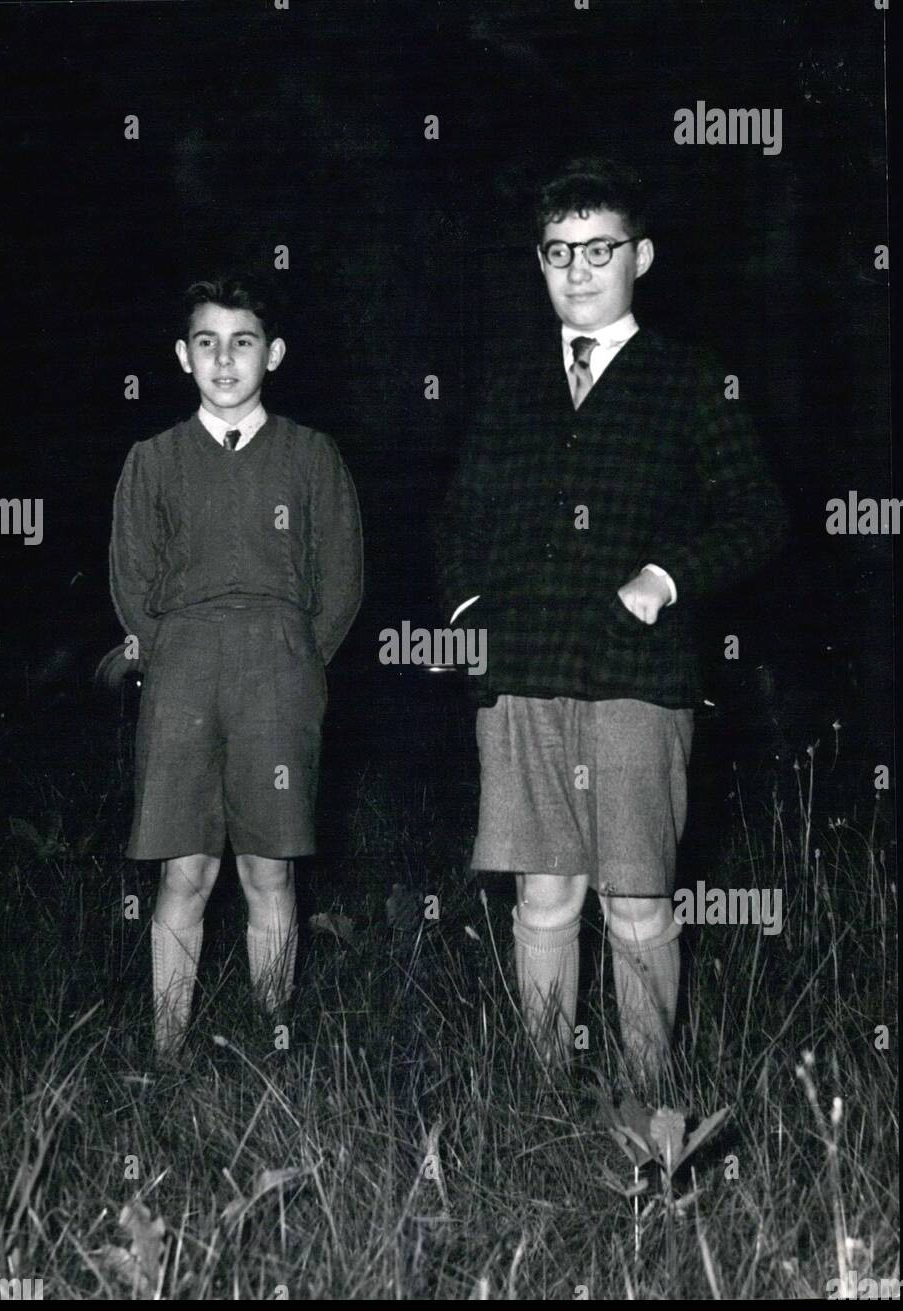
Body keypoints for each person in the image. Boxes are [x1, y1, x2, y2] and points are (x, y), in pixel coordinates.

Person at [437, 157, 787, 1083]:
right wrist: (470, 611)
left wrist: (667, 575)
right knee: (543, 898)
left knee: (636, 900)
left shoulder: (689, 381)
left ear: (642, 257)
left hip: (641, 674)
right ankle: (545, 1096)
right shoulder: (510, 387)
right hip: (524, 671)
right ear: (539, 263)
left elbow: (757, 514)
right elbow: (459, 519)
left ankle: (650, 1107)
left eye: (599, 249)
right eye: (558, 252)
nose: (578, 269)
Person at [109, 273, 362, 1061]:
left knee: (269, 872)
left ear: (273, 354)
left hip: (279, 674)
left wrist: (291, 661)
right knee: (183, 872)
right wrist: (177, 652)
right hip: (182, 670)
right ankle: (165, 1051)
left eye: (243, 341)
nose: (225, 359)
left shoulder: (312, 455)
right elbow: (130, 585)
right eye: (207, 342)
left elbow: (341, 583)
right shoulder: (151, 459)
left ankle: (272, 1045)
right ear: (184, 356)